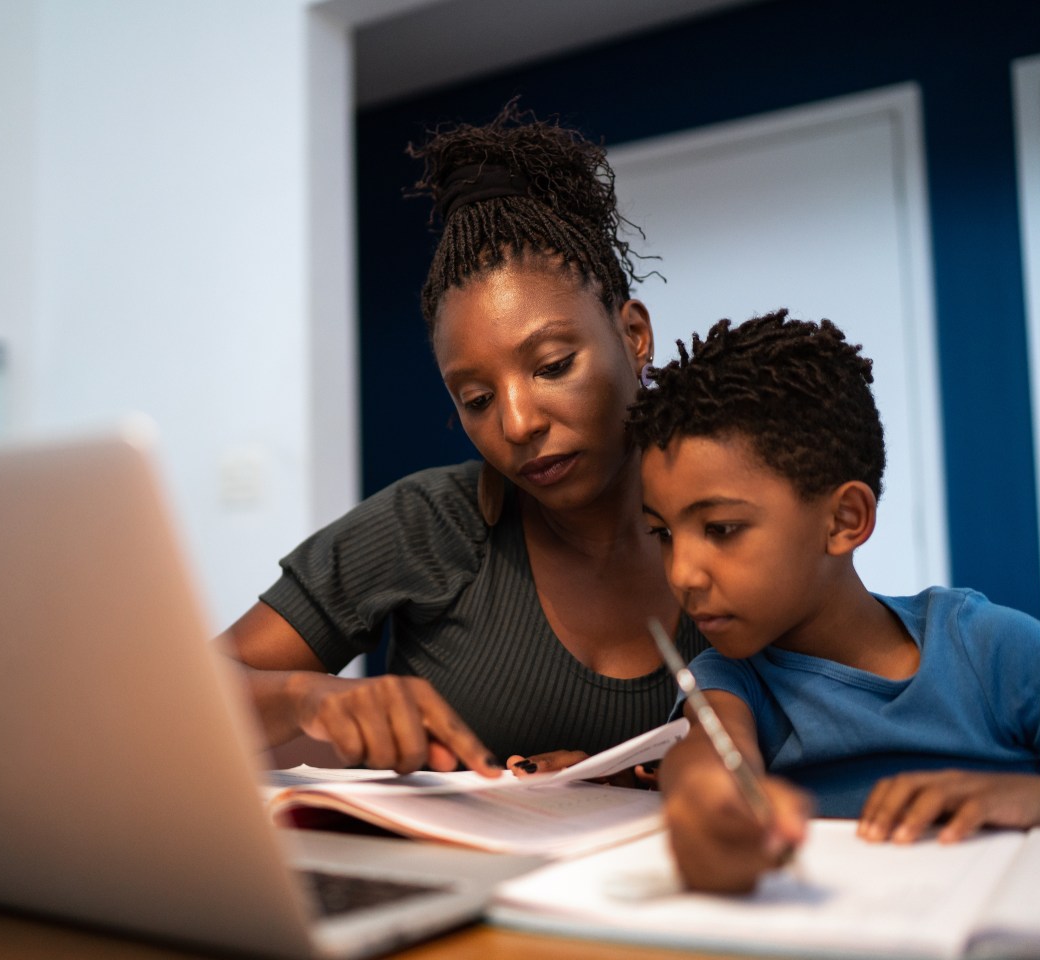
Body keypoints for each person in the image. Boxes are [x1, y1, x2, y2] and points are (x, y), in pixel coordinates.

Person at [223, 102, 708, 777]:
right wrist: (306, 696)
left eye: (553, 366)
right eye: (476, 399)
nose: (516, 424)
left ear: (634, 337)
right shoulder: (425, 525)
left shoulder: (727, 518)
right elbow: (193, 689)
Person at [626, 309, 1040, 892]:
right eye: (663, 534)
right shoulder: (732, 678)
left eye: (722, 529)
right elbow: (709, 761)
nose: (682, 573)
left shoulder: (991, 649)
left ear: (844, 519)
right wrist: (708, 803)